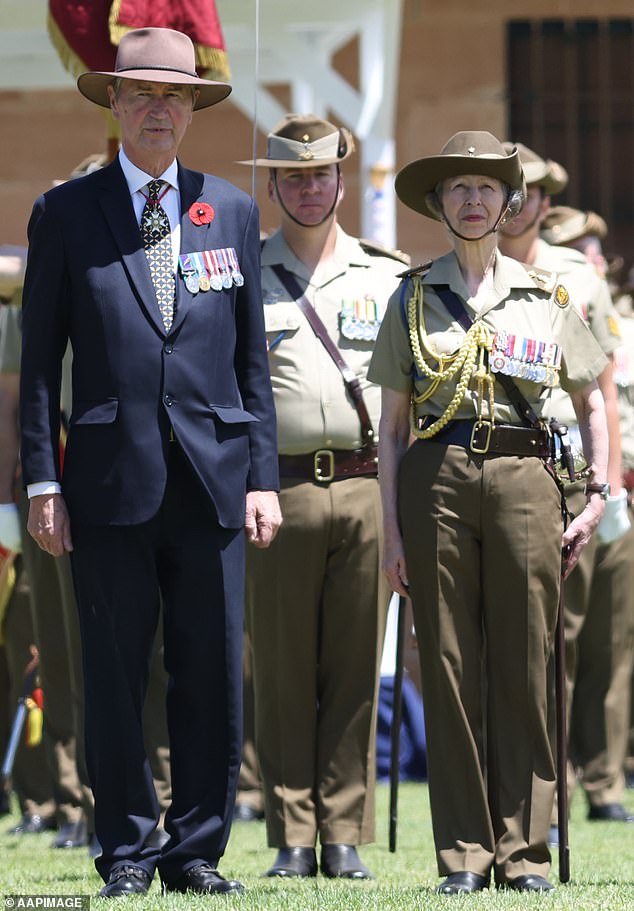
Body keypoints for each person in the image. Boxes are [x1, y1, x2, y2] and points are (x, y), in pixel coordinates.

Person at [19, 27, 281, 898]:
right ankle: (127, 848)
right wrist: (42, 479)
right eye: (142, 94)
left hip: (213, 483)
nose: (159, 108)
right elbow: (37, 364)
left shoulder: (233, 212)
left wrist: (263, 478)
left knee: (211, 673)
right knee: (113, 673)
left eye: (174, 95)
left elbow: (252, 366)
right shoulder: (66, 213)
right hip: (102, 483)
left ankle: (196, 848)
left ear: (193, 109)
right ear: (115, 105)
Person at [368, 131, 609, 894]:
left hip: (525, 476)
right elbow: (392, 430)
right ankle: (466, 854)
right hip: (435, 477)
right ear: (440, 203)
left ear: (510, 203)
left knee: (527, 660)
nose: (473, 201)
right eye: (458, 189)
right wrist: (393, 533)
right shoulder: (409, 295)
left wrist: (600, 490)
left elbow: (592, 398)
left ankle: (526, 850)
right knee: (446, 664)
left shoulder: (547, 296)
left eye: (487, 189)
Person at [239, 114, 403, 879]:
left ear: (341, 179)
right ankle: (292, 836)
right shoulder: (239, 272)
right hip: (279, 490)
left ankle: (344, 831)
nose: (309, 187)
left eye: (321, 174)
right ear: (272, 184)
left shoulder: (386, 274)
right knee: (280, 668)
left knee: (353, 666)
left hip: (369, 486)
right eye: (293, 176)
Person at [498, 153, 633, 833]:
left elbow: (604, 388)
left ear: (547, 202)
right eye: (507, 191)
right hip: (504, 466)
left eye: (530, 194)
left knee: (589, 638)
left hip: (573, 465)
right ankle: (538, 790)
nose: (519, 203)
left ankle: (600, 779)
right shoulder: (472, 272)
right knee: (538, 642)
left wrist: (605, 486)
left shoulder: (579, 277)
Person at [538, 204, 634, 825]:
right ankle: (557, 775)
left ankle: (605, 781)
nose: (591, 261)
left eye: (594, 250)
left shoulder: (616, 319)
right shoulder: (542, 300)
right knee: (559, 638)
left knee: (612, 643)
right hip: (564, 479)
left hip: (615, 487)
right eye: (578, 250)